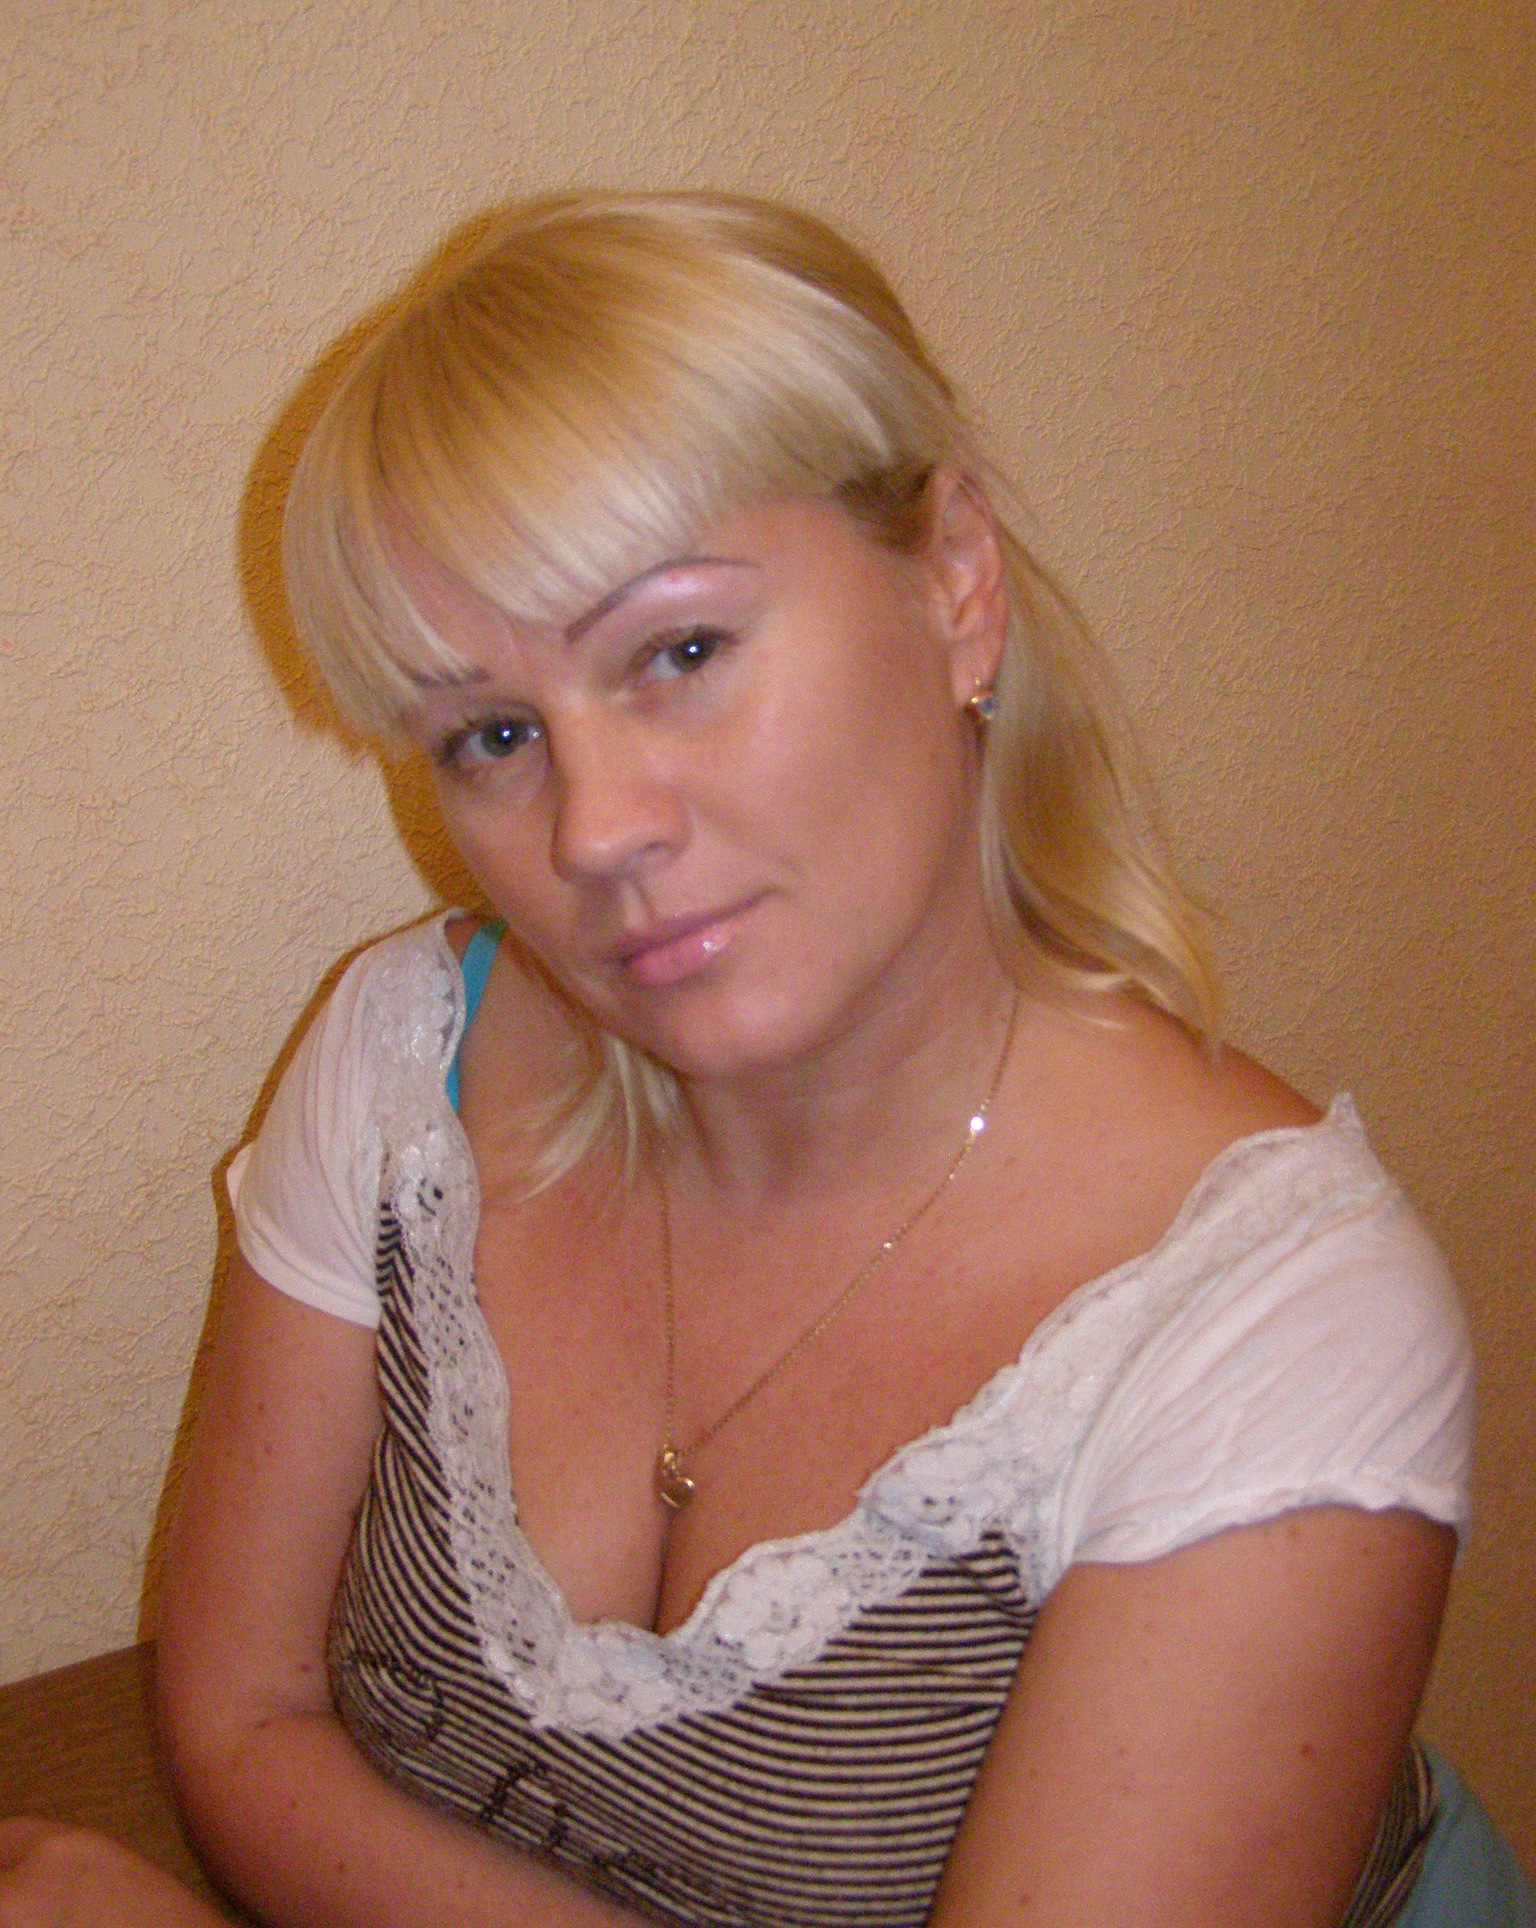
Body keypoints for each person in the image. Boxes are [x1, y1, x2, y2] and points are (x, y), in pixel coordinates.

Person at [4, 192, 1529, 1928]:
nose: (595, 829)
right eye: (491, 734)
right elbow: (249, 1717)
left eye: (681, 651)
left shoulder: (1274, 1327)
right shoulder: (408, 1064)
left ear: (956, 585)